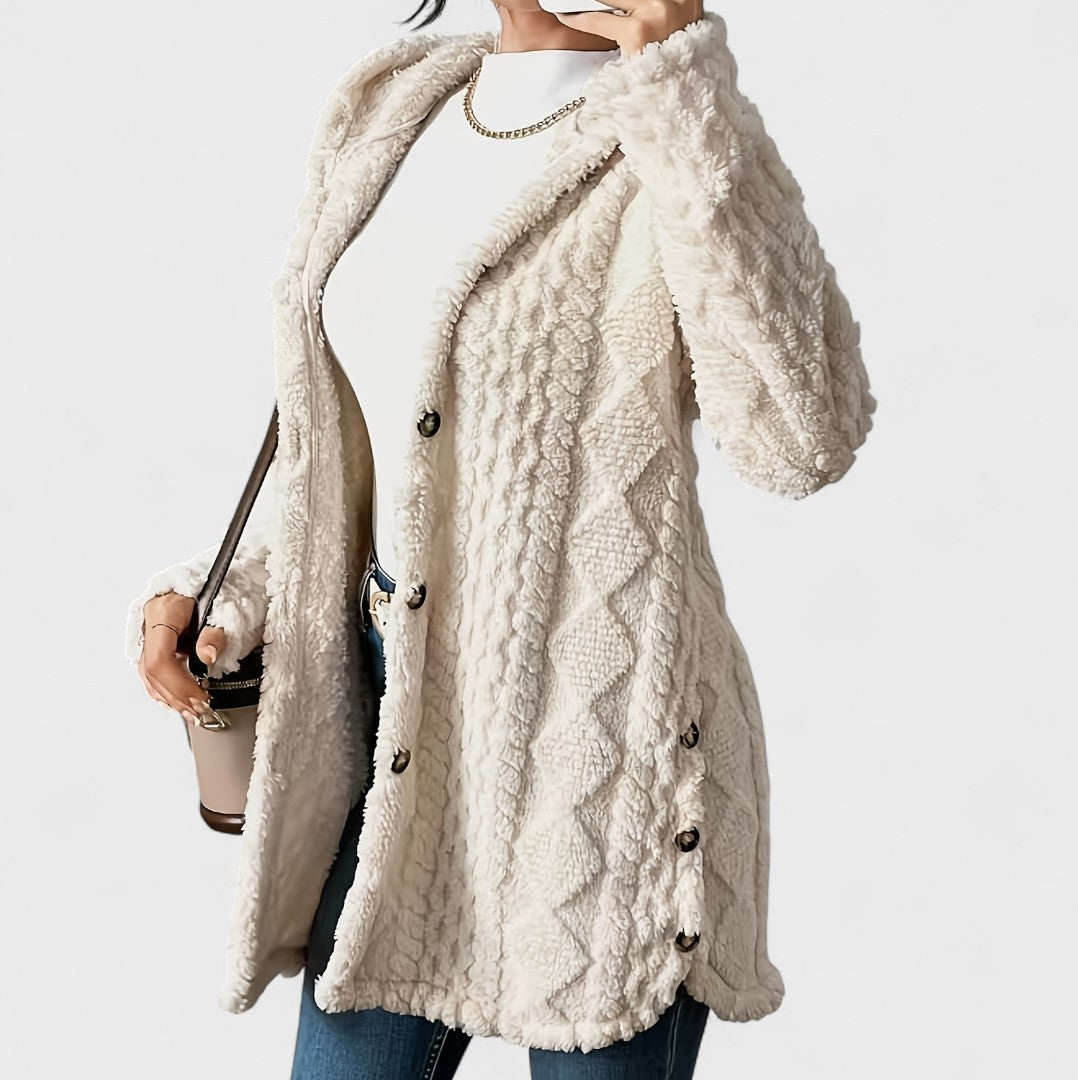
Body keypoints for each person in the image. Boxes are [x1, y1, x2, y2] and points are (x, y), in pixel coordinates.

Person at [125, 1, 876, 1077]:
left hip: (605, 766)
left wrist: (679, 81)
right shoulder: (394, 107)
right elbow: (348, 453)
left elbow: (805, 439)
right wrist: (228, 595)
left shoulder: (671, 122)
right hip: (394, 743)